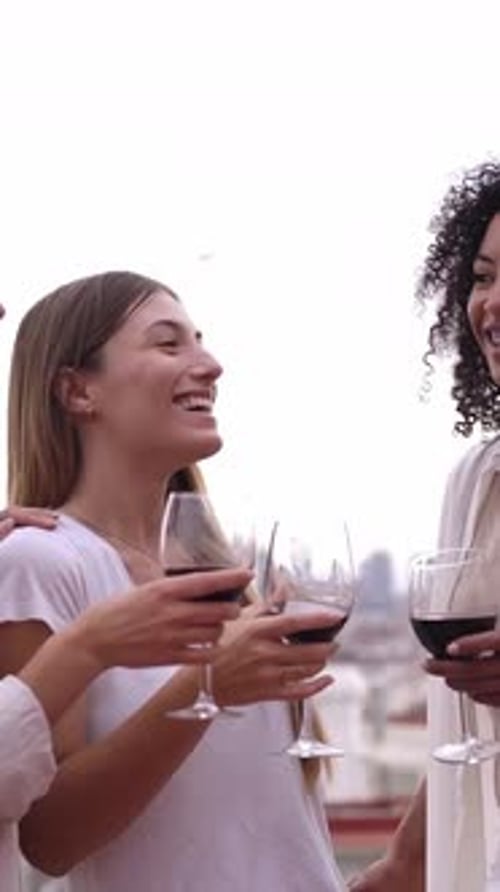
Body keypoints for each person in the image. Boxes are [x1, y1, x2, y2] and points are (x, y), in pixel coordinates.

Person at [0, 271, 347, 892]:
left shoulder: (221, 577)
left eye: (200, 341)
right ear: (77, 392)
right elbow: (49, 839)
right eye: (169, 345)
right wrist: (207, 686)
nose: (210, 365)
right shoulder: (40, 561)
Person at [349, 160, 500, 892]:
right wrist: (404, 867)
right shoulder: (478, 479)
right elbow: (463, 725)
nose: (492, 304)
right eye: (482, 276)